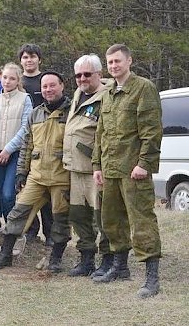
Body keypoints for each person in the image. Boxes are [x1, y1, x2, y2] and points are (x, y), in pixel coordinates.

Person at [92, 44, 163, 298]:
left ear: (129, 61)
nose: (113, 66)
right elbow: (101, 132)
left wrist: (144, 164)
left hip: (133, 170)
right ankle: (120, 267)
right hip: (110, 169)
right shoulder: (108, 91)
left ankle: (151, 277)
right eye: (110, 62)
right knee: (112, 221)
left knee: (141, 221)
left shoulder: (143, 88)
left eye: (117, 61)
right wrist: (97, 165)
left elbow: (152, 131)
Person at [0, 72, 71, 273]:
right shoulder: (36, 113)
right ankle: (6, 255)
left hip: (62, 178)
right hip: (37, 176)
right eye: (45, 87)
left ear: (62, 86)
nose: (48, 90)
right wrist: (21, 173)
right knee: (18, 214)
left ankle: (56, 259)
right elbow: (27, 145)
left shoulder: (72, 112)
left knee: (60, 220)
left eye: (52, 86)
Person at [62, 54, 111, 277]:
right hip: (75, 168)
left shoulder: (108, 96)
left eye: (87, 74)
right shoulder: (78, 94)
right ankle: (86, 259)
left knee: (103, 217)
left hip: (95, 168)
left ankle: (109, 260)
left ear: (99, 74)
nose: (82, 78)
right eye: (78, 75)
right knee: (79, 217)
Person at [0, 63, 32, 226]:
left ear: (18, 80)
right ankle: (7, 227)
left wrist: (8, 150)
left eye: (12, 78)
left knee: (8, 194)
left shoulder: (25, 99)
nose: (7, 81)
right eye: (5, 77)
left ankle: (13, 227)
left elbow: (26, 128)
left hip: (14, 154)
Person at [18, 43, 54, 246]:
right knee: (27, 190)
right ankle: (31, 231)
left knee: (48, 194)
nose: (29, 60)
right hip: (25, 140)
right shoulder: (19, 81)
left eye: (32, 56)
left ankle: (50, 233)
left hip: (46, 138)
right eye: (25, 57)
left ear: (39, 59)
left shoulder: (45, 80)